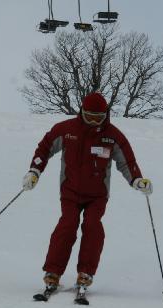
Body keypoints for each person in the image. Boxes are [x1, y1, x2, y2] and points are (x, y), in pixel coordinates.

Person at [22, 92, 153, 293]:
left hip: (97, 195)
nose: (93, 122)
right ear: (82, 111)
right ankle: (53, 272)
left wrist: (137, 180)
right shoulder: (66, 130)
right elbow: (44, 148)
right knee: (67, 225)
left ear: (105, 115)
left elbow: (127, 161)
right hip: (70, 191)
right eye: (89, 116)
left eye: (98, 118)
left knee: (93, 226)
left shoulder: (112, 136)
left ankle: (86, 272)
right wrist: (34, 171)